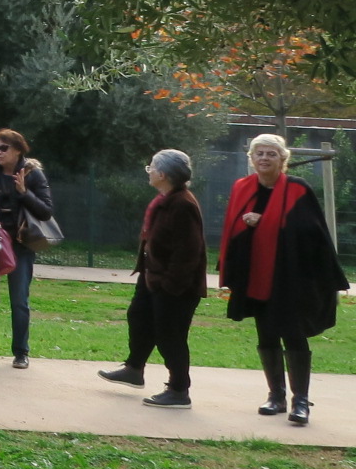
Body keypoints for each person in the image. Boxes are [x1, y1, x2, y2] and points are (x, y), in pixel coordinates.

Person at [219, 133, 348, 426]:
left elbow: (310, 233)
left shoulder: (298, 189)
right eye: (259, 153)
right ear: (251, 159)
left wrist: (263, 222)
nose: (264, 158)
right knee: (265, 333)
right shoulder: (242, 187)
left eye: (271, 154)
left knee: (293, 333)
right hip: (256, 275)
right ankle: (275, 396)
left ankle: (300, 401)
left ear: (283, 160)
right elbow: (232, 230)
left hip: (292, 277)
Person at [98, 149, 209, 408]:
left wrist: (170, 285)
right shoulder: (165, 199)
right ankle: (134, 368)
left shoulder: (182, 203)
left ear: (162, 174)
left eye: (151, 167)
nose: (148, 171)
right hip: (153, 277)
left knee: (170, 334)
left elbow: (188, 251)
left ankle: (179, 390)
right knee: (139, 317)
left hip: (175, 285)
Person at [0, 129, 54, 369]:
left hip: (20, 244)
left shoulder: (32, 174)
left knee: (19, 300)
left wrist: (24, 193)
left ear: (18, 150)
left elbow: (46, 211)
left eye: (3, 148)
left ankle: (21, 352)